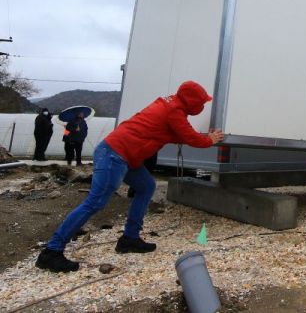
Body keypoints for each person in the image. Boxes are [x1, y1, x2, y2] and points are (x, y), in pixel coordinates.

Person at [35, 81, 224, 273]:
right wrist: (209, 140)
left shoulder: (171, 105)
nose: (201, 107)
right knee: (95, 202)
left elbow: (178, 134)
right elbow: (189, 137)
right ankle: (52, 251)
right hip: (114, 155)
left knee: (146, 186)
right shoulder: (174, 110)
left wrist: (204, 138)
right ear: (192, 101)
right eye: (201, 103)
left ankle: (129, 239)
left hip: (124, 157)